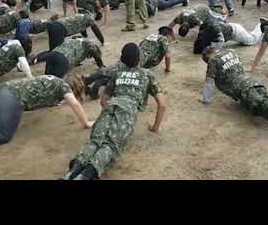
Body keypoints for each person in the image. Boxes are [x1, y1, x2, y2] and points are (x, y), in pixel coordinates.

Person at [61, 43, 166, 180]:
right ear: (139, 59)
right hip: (127, 110)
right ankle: (85, 176)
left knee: (94, 141)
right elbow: (162, 105)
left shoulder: (118, 73)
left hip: (110, 107)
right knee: (109, 146)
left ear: (122, 59)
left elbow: (104, 98)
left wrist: (109, 114)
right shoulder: (147, 75)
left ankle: (70, 174)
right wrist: (155, 128)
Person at [0, 73, 93, 159]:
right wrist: (86, 123)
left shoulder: (54, 80)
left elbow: (49, 96)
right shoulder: (64, 86)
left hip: (3, 90)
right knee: (3, 135)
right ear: (72, 86)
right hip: (12, 99)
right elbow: (75, 103)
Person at [83, 27, 173, 99]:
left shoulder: (151, 36)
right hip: (141, 57)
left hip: (137, 52)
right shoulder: (164, 39)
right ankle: (91, 78)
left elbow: (141, 45)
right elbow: (167, 56)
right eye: (171, 37)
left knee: (119, 70)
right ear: (168, 35)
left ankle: (96, 83)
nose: (170, 39)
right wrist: (168, 69)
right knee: (120, 71)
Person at [31, 38, 103, 78]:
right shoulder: (89, 44)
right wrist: (100, 64)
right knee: (55, 81)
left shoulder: (77, 41)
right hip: (62, 58)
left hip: (53, 53)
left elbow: (74, 51)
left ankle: (34, 60)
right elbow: (93, 51)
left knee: (47, 78)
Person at [193, 18, 265, 54]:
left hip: (236, 32)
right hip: (230, 27)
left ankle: (261, 24)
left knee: (252, 40)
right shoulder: (202, 33)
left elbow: (221, 41)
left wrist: (215, 51)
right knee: (243, 42)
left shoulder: (215, 31)